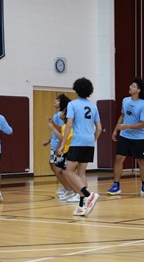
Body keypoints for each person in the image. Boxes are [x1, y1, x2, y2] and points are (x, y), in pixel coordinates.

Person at [58, 77, 102, 216]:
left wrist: (63, 143)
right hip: (89, 141)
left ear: (76, 89)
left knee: (68, 172)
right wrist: (93, 139)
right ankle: (83, 206)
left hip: (78, 142)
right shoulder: (93, 106)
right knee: (81, 173)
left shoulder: (73, 105)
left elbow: (69, 124)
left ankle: (88, 194)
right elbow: (99, 128)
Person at [107, 77, 144, 196]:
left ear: (138, 90)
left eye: (133, 86)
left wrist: (127, 126)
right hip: (124, 136)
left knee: (142, 162)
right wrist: (116, 129)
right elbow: (122, 116)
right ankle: (116, 185)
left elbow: (143, 124)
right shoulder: (125, 100)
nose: (130, 87)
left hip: (138, 138)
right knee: (118, 160)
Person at [42, 94, 71, 195]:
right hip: (55, 143)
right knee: (54, 165)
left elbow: (62, 132)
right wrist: (49, 140)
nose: (55, 101)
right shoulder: (57, 115)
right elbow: (58, 130)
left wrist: (59, 145)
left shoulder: (60, 115)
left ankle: (66, 186)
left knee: (58, 168)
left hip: (58, 145)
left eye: (58, 100)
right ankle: (65, 185)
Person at [46, 108, 76, 201]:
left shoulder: (70, 126)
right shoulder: (65, 125)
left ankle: (77, 192)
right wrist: (54, 124)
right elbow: (61, 129)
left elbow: (63, 138)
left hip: (70, 151)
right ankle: (69, 190)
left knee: (65, 172)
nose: (61, 113)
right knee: (58, 170)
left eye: (63, 112)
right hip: (65, 151)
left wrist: (52, 128)